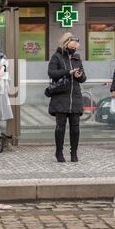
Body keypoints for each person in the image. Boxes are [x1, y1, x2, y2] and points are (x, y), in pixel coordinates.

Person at [48, 33, 86, 163]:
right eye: (71, 47)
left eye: (75, 48)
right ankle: (59, 152)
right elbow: (51, 73)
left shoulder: (77, 58)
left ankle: (74, 153)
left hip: (75, 96)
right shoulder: (56, 57)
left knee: (75, 127)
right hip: (60, 96)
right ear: (65, 44)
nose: (74, 49)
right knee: (61, 126)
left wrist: (79, 75)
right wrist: (68, 72)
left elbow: (83, 78)